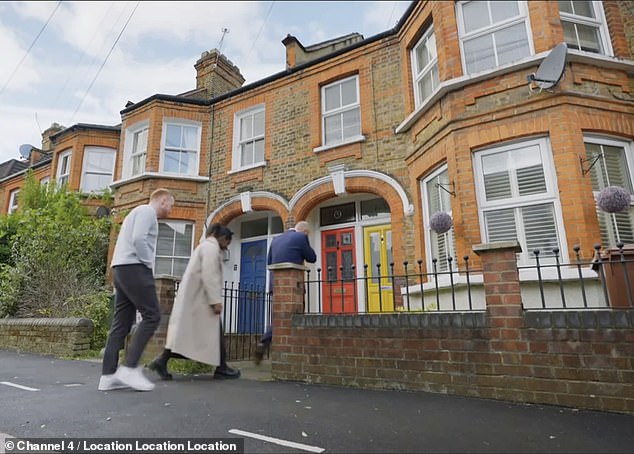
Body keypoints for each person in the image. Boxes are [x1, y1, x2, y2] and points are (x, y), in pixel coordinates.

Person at [98, 188, 175, 392]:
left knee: (121, 323)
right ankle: (129, 368)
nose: (171, 209)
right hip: (134, 268)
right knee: (152, 316)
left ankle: (108, 375)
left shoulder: (136, 212)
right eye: (171, 205)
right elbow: (139, 239)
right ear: (163, 201)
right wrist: (147, 264)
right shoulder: (147, 212)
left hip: (121, 268)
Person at [147, 223, 241, 381]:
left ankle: (162, 361)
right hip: (200, 299)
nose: (226, 247)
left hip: (193, 299)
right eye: (227, 243)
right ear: (224, 238)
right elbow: (210, 275)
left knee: (184, 334)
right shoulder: (211, 249)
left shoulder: (204, 247)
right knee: (215, 332)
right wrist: (215, 301)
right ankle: (221, 368)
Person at [254, 220, 316, 365]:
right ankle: (271, 343)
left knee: (279, 316)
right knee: (294, 316)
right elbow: (312, 258)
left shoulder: (276, 239)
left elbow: (269, 262)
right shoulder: (301, 237)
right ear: (305, 232)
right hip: (294, 284)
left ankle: (266, 343)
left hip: (275, 284)